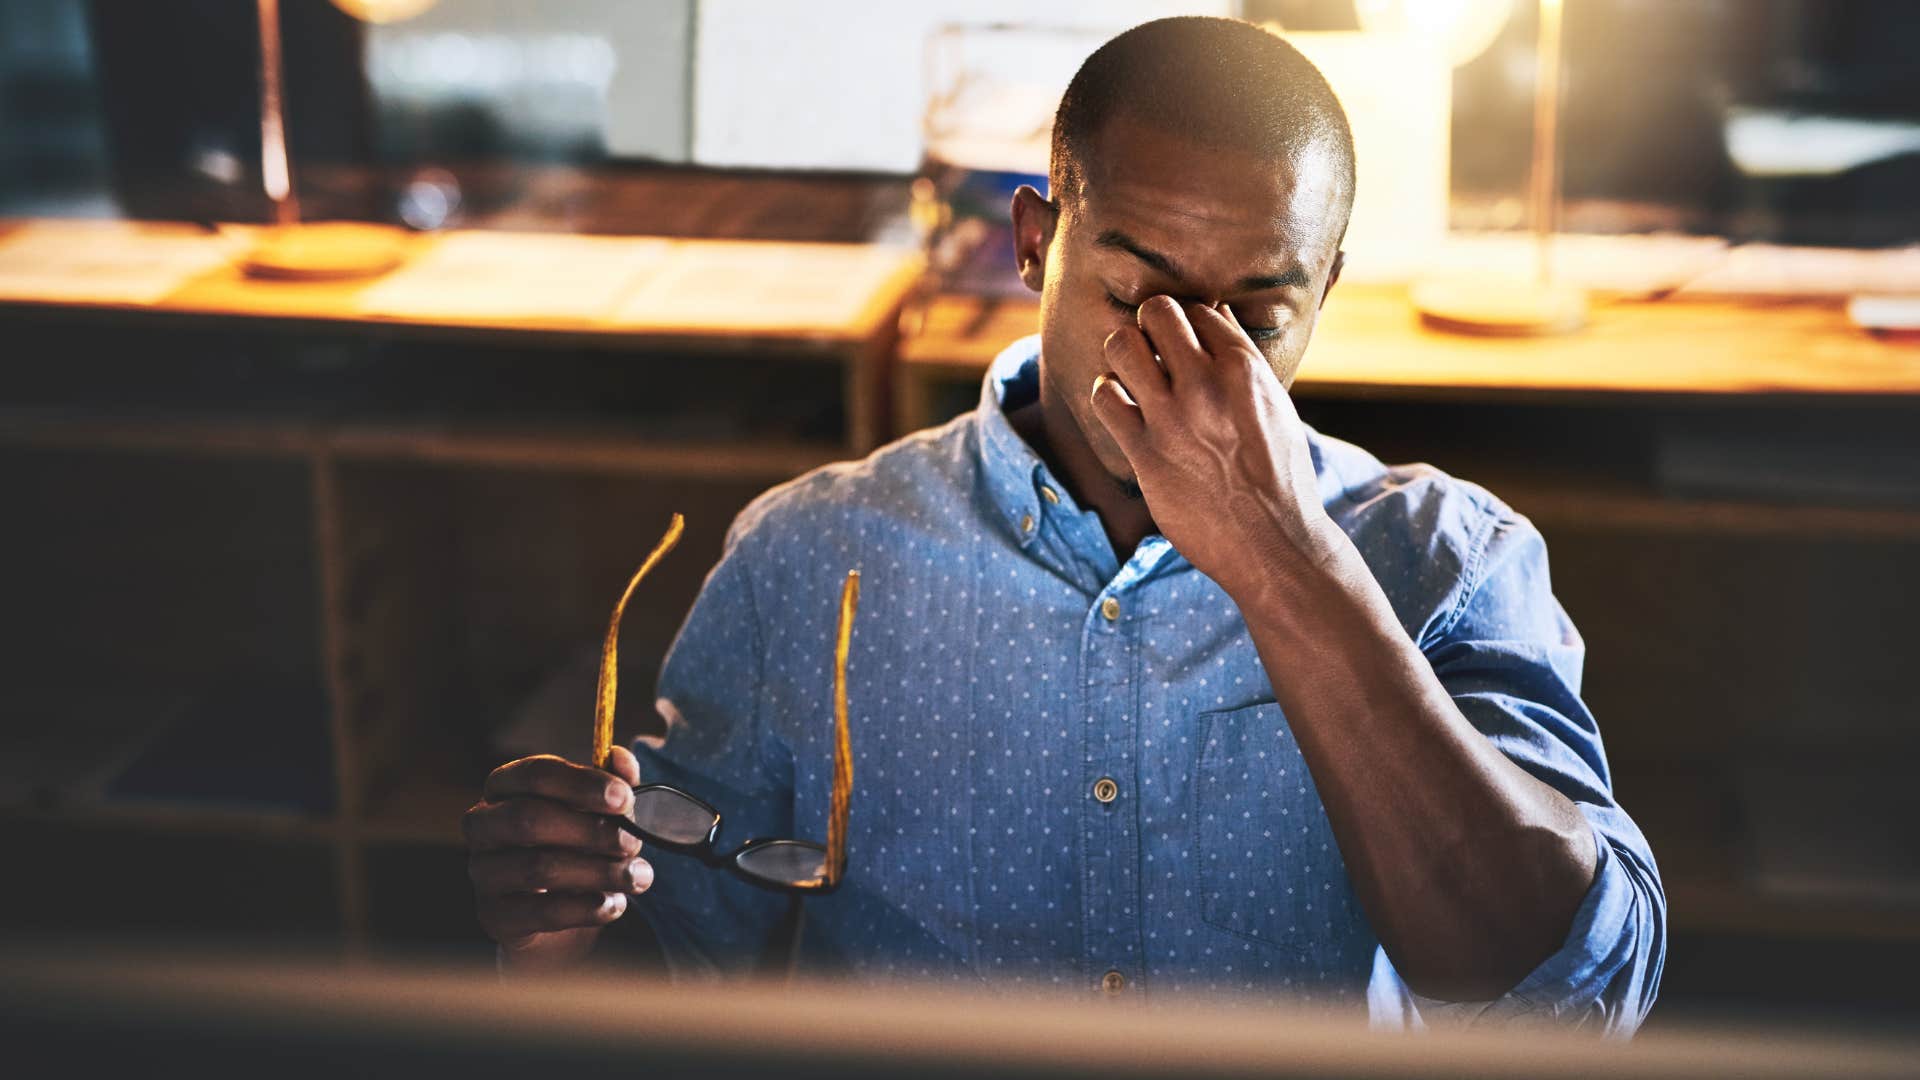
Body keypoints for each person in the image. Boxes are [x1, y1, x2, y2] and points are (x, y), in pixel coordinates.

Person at [463, 16, 1665, 1032]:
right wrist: (569, 920)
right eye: (1137, 292)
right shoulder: (809, 557)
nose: (1185, 360)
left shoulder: (1451, 559)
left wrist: (1278, 558)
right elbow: (671, 970)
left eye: (1258, 312)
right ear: (1037, 245)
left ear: (1327, 294)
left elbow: (1575, 992)